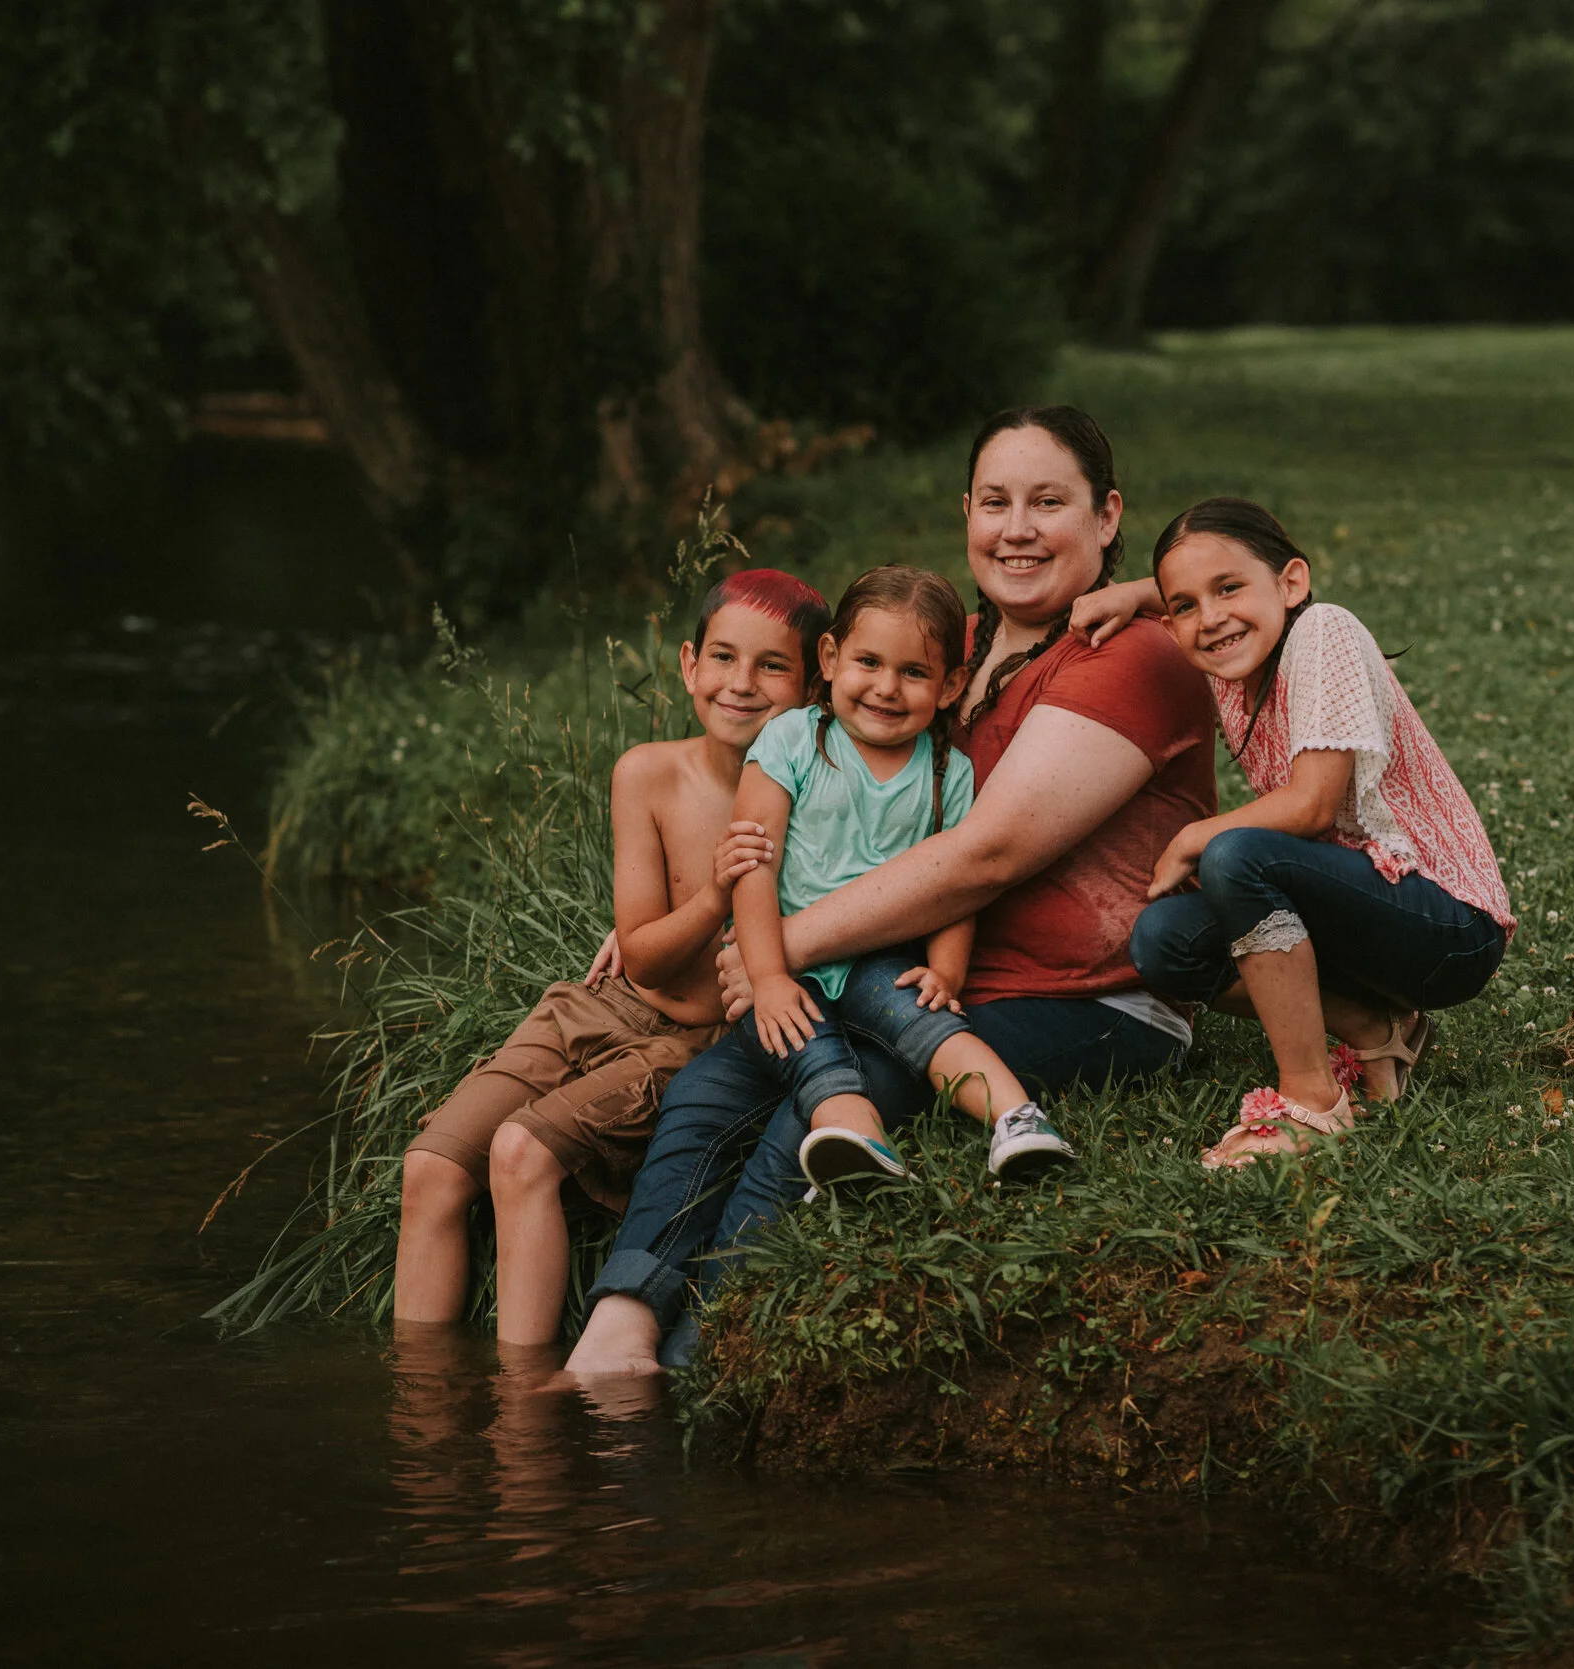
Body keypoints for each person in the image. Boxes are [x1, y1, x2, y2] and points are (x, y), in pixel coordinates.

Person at [563, 405, 1217, 1377]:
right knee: (715, 1083)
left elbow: (983, 856)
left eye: (1050, 502)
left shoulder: (1130, 654)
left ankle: (704, 1345)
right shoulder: (964, 645)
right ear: (965, 512)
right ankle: (623, 1314)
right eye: (995, 502)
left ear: (1107, 513)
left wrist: (778, 947)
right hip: (930, 977)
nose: (1018, 527)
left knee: (832, 1100)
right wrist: (686, 907)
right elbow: (813, 741)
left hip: (1093, 997)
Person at [391, 570, 829, 1340]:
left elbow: (913, 636)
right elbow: (645, 956)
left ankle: (524, 1419)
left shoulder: (823, 791)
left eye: (772, 666)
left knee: (521, 1153)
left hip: (698, 1041)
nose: (741, 684)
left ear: (815, 680)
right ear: (689, 664)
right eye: (723, 658)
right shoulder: (648, 773)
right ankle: (424, 1415)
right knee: (431, 1168)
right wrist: (711, 897)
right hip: (604, 1003)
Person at [1078, 498, 1513, 1166]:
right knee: (1164, 942)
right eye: (1185, 605)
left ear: (1292, 582)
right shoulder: (1232, 662)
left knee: (1235, 854)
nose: (1211, 616)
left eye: (1229, 589)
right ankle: (1376, 1029)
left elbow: (1311, 807)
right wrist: (1136, 596)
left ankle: (1312, 1101)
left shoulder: (1323, 632)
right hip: (1360, 907)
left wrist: (1193, 835)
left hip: (1449, 924)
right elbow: (1205, 601)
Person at [729, 565, 1070, 1192]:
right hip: (786, 965)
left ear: (950, 686)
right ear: (829, 657)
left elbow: (957, 890)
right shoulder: (790, 739)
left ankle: (1018, 1120)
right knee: (810, 1051)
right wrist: (768, 976)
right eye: (869, 663)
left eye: (914, 672)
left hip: (881, 958)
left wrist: (947, 969)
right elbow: (753, 867)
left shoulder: (951, 774)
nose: (887, 688)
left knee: (928, 1024)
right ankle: (859, 1139)